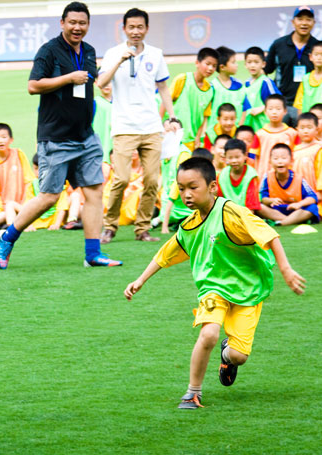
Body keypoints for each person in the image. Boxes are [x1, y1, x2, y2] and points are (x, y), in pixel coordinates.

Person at [124, 157, 306, 409]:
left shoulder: (232, 213)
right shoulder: (189, 225)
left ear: (212, 187)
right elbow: (166, 253)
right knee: (208, 333)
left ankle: (226, 355)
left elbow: (270, 235)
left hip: (248, 290)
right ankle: (192, 393)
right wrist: (140, 279)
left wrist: (285, 269)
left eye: (192, 187)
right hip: (213, 289)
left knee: (239, 356)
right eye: (181, 187)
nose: (186, 194)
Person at [0, 2, 122, 269]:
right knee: (49, 197)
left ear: (88, 25)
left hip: (86, 136)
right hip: (56, 138)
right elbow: (32, 86)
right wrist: (67, 78)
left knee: (94, 191)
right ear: (62, 23)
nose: (77, 27)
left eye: (82, 23)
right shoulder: (49, 51)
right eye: (72, 22)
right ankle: (7, 237)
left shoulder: (89, 51)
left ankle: (93, 253)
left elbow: (94, 82)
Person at [98, 7, 174, 243]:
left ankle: (142, 228)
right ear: (124, 29)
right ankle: (110, 226)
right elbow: (101, 82)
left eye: (140, 27)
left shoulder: (156, 54)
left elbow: (163, 88)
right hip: (123, 127)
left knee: (151, 180)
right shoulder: (113, 53)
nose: (136, 31)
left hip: (151, 127)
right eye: (131, 27)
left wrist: (171, 116)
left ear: (147, 29)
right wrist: (120, 60)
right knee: (120, 179)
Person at [265, 6, 319, 126]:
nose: (304, 23)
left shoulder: (318, 48)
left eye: (308, 19)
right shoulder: (278, 45)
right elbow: (265, 70)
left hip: (306, 106)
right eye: (300, 19)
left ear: (314, 23)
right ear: (293, 22)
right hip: (281, 105)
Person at [166, 47, 218, 151]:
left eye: (214, 66)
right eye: (207, 64)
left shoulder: (210, 90)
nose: (210, 68)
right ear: (197, 63)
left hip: (191, 141)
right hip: (174, 135)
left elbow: (204, 117)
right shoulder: (183, 79)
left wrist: (198, 137)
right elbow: (166, 102)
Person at [259, 143, 319, 225]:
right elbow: (263, 198)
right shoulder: (267, 177)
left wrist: (299, 204)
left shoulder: (299, 178)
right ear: (270, 162)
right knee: (259, 206)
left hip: (296, 210)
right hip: (276, 211)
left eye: (284, 158)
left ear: (291, 161)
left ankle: (281, 223)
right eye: (276, 158)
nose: (280, 162)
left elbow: (313, 197)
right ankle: (291, 221)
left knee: (313, 207)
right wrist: (271, 200)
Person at [0, 122, 35, 226]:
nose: (0, 140)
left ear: (11, 139)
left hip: (21, 204)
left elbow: (29, 181)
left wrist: (25, 203)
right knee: (0, 216)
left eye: (4, 137)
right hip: (2, 208)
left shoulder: (18, 154)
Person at [292, 112, 322, 218]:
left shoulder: (318, 149)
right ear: (297, 129)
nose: (306, 131)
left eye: (309, 127)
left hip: (315, 194)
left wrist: (320, 193)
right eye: (302, 128)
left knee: (313, 208)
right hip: (296, 194)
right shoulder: (293, 150)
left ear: (316, 129)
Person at [205, 46, 243, 141]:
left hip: (235, 136)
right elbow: (205, 112)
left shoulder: (240, 86)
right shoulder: (212, 87)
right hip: (214, 137)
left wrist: (240, 130)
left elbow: (245, 109)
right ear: (222, 67)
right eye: (233, 62)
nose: (237, 65)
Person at [255, 94, 298, 178]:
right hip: (264, 176)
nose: (274, 112)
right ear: (265, 111)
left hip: (287, 177)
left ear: (285, 111)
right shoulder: (259, 134)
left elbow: (297, 155)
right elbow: (253, 158)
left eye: (278, 109)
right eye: (270, 109)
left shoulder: (293, 133)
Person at [241, 47, 281, 133]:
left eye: (256, 62)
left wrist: (263, 108)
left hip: (263, 128)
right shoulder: (246, 83)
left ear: (263, 64)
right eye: (249, 62)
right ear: (245, 64)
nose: (252, 65)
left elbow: (279, 100)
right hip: (249, 127)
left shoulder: (266, 82)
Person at [26, 153, 70, 231]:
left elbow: (62, 207)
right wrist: (29, 224)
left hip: (53, 219)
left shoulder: (58, 184)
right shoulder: (32, 185)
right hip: (37, 220)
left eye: (42, 168)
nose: (39, 172)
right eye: (36, 169)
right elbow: (28, 206)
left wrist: (57, 224)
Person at [217, 138, 262, 213]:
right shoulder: (222, 175)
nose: (234, 161)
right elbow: (220, 200)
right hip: (228, 212)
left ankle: (283, 220)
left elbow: (251, 206)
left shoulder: (251, 174)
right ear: (225, 158)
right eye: (230, 158)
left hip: (248, 212)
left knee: (262, 208)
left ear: (245, 155)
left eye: (237, 157)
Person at [292, 41, 322, 113]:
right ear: (310, 57)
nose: (319, 58)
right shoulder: (305, 78)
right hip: (308, 120)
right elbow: (299, 103)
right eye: (316, 55)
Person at [92, 81, 113, 165]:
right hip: (99, 150)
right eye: (104, 81)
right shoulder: (94, 103)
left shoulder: (121, 103)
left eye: (110, 81)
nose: (106, 85)